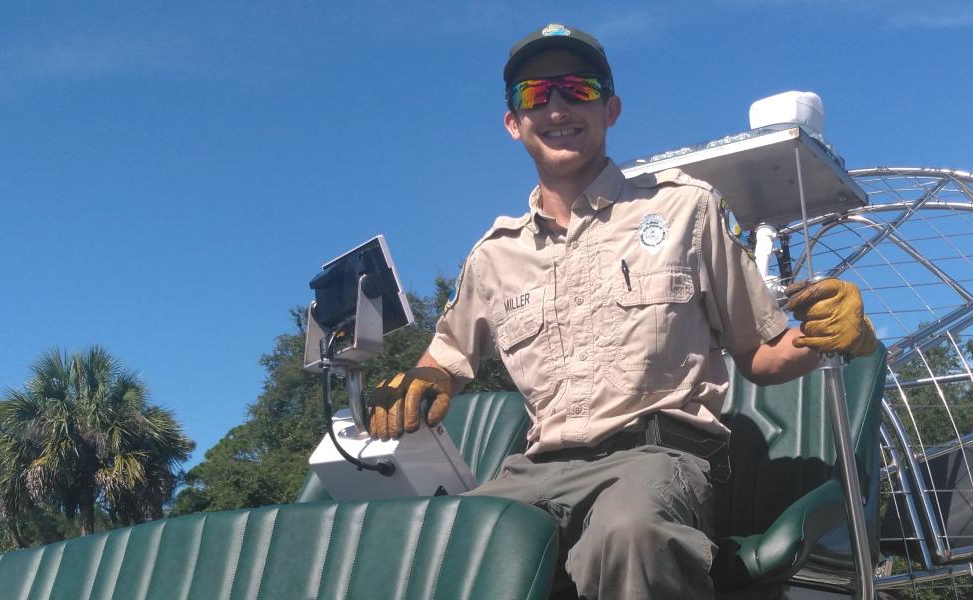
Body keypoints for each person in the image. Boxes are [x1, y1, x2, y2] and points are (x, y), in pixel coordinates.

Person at [365, 23, 876, 599]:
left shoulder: (688, 207)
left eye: (576, 89)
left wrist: (828, 337)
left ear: (610, 109)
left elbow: (758, 353)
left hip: (658, 457)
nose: (557, 107)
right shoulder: (493, 256)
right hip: (534, 471)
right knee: (436, 546)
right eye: (535, 95)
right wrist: (416, 384)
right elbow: (445, 361)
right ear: (513, 122)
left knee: (630, 532)